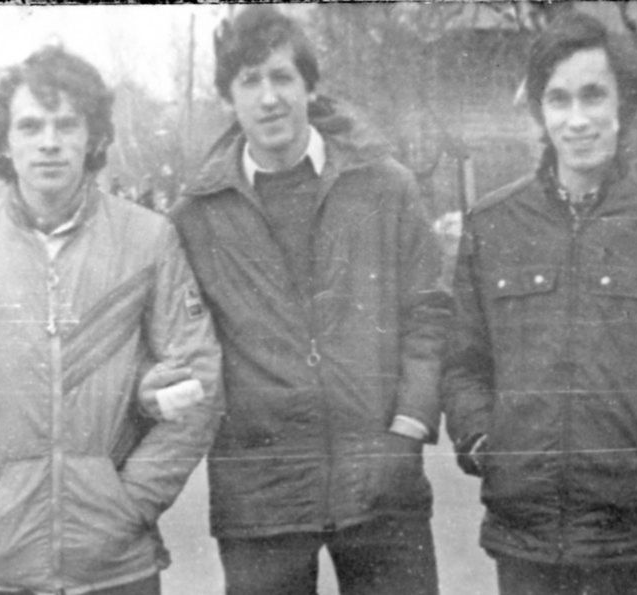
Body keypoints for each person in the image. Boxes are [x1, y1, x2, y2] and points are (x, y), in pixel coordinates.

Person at [441, 12, 637, 595]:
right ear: (540, 112)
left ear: (623, 105)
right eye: (558, 99)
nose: (577, 119)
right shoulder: (492, 224)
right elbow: (462, 363)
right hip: (527, 541)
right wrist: (485, 444)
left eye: (593, 96)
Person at [0, 45, 223, 595]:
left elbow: (199, 382)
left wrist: (132, 502)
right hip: (0, 567)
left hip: (117, 565)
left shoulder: (148, 239)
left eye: (66, 124)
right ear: (4, 141)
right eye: (30, 126)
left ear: (92, 136)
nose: (49, 142)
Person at [170, 6, 451, 595]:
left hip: (381, 482)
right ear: (228, 97)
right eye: (250, 81)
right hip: (261, 499)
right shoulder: (196, 216)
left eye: (283, 77)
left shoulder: (385, 185)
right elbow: (183, 345)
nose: (269, 98)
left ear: (310, 86)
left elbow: (429, 314)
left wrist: (408, 428)